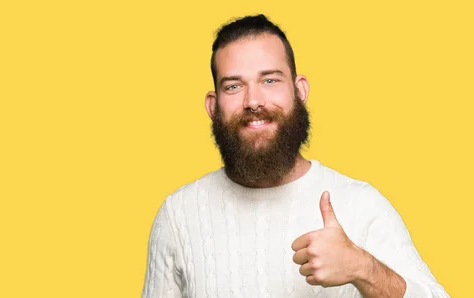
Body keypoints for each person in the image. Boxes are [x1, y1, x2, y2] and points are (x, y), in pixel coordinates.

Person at [141, 14, 449, 298]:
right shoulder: (178, 215)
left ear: (299, 91)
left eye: (270, 80)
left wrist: (362, 268)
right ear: (213, 106)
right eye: (234, 86)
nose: (253, 101)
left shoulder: (360, 205)